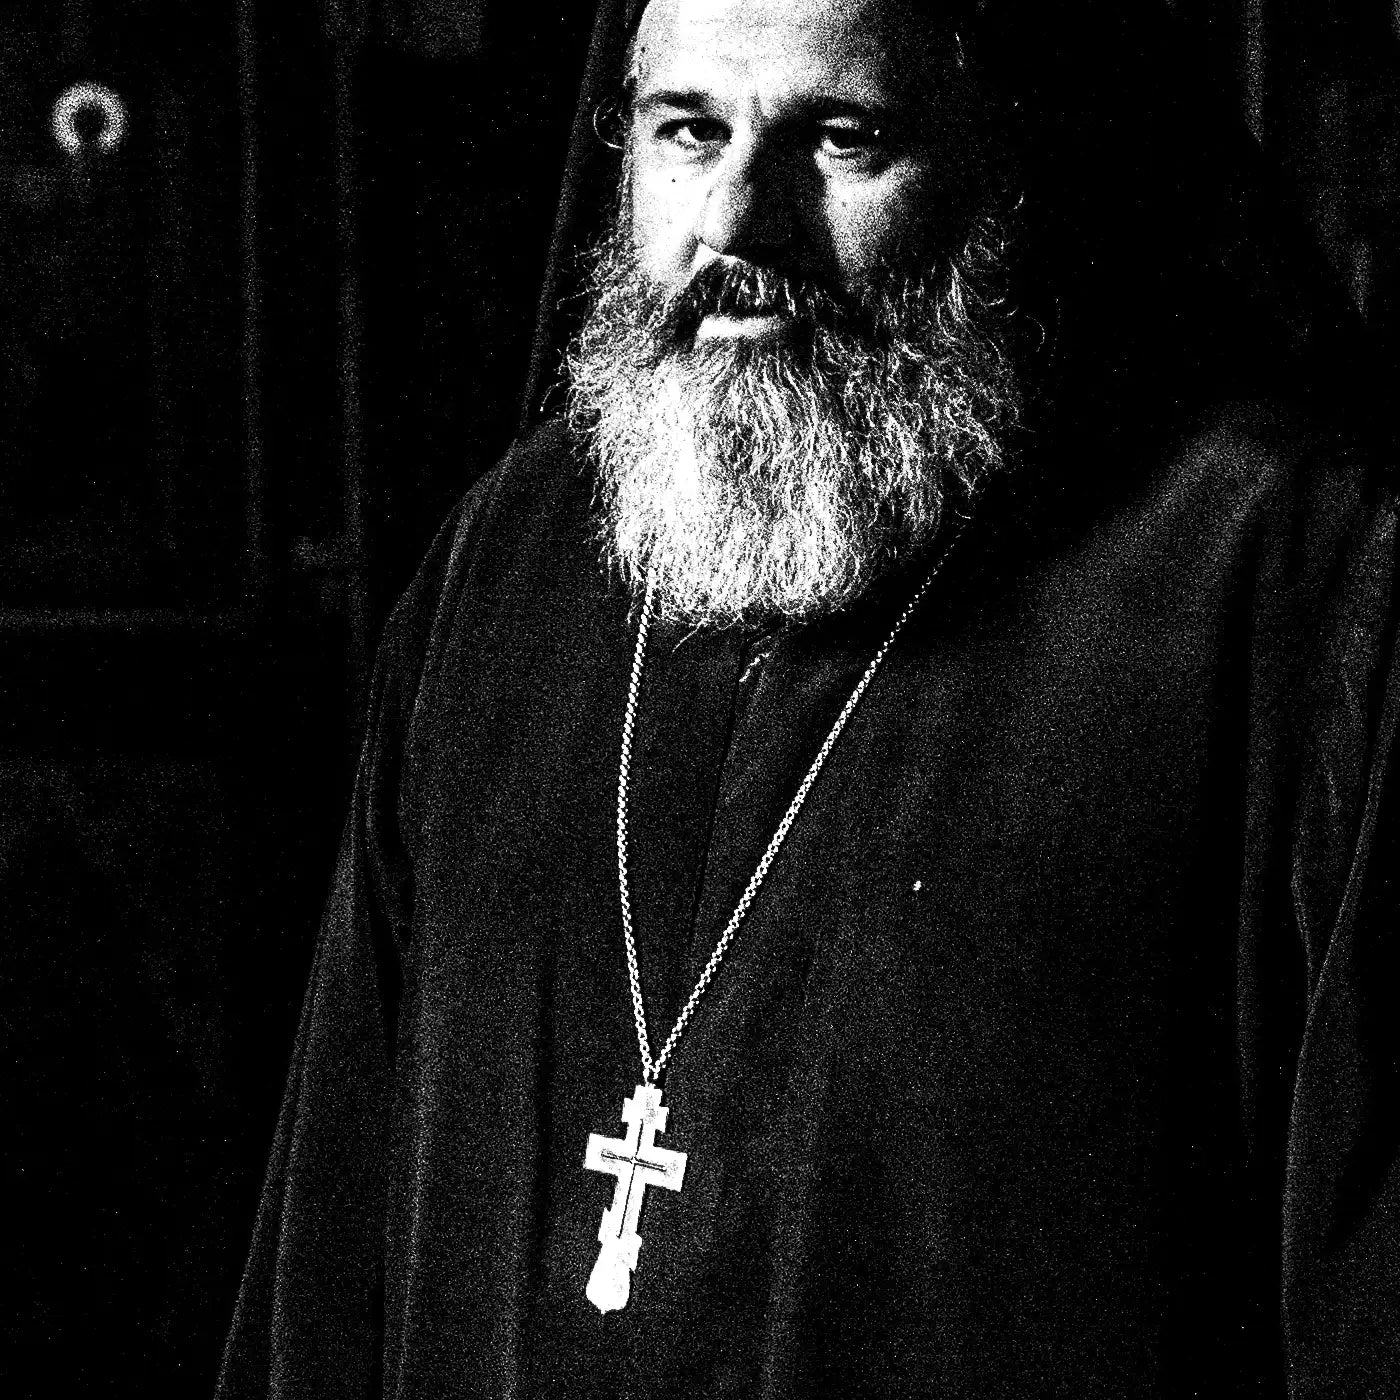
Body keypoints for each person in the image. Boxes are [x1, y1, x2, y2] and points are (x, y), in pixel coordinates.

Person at [218, 0, 1400, 1394]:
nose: (738, 223)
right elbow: (329, 1257)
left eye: (842, 139)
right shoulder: (510, 557)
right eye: (688, 131)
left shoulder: (1283, 582)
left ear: (1012, 164)